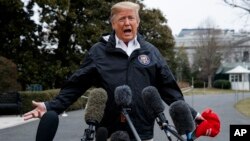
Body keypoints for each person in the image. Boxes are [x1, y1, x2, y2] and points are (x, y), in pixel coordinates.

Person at [23, 1, 208, 141]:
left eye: (131, 18)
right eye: (122, 18)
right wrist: (50, 106)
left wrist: (192, 113)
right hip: (108, 131)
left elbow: (168, 87)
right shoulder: (98, 52)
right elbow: (76, 84)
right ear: (113, 23)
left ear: (138, 22)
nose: (127, 22)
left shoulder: (150, 51)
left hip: (142, 129)